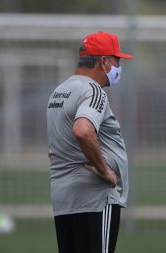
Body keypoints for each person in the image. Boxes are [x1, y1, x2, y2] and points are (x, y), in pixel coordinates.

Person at [46, 31, 133, 253]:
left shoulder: (60, 91)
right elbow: (83, 131)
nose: (119, 67)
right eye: (117, 60)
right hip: (94, 198)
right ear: (103, 61)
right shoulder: (93, 90)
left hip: (64, 200)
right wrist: (105, 171)